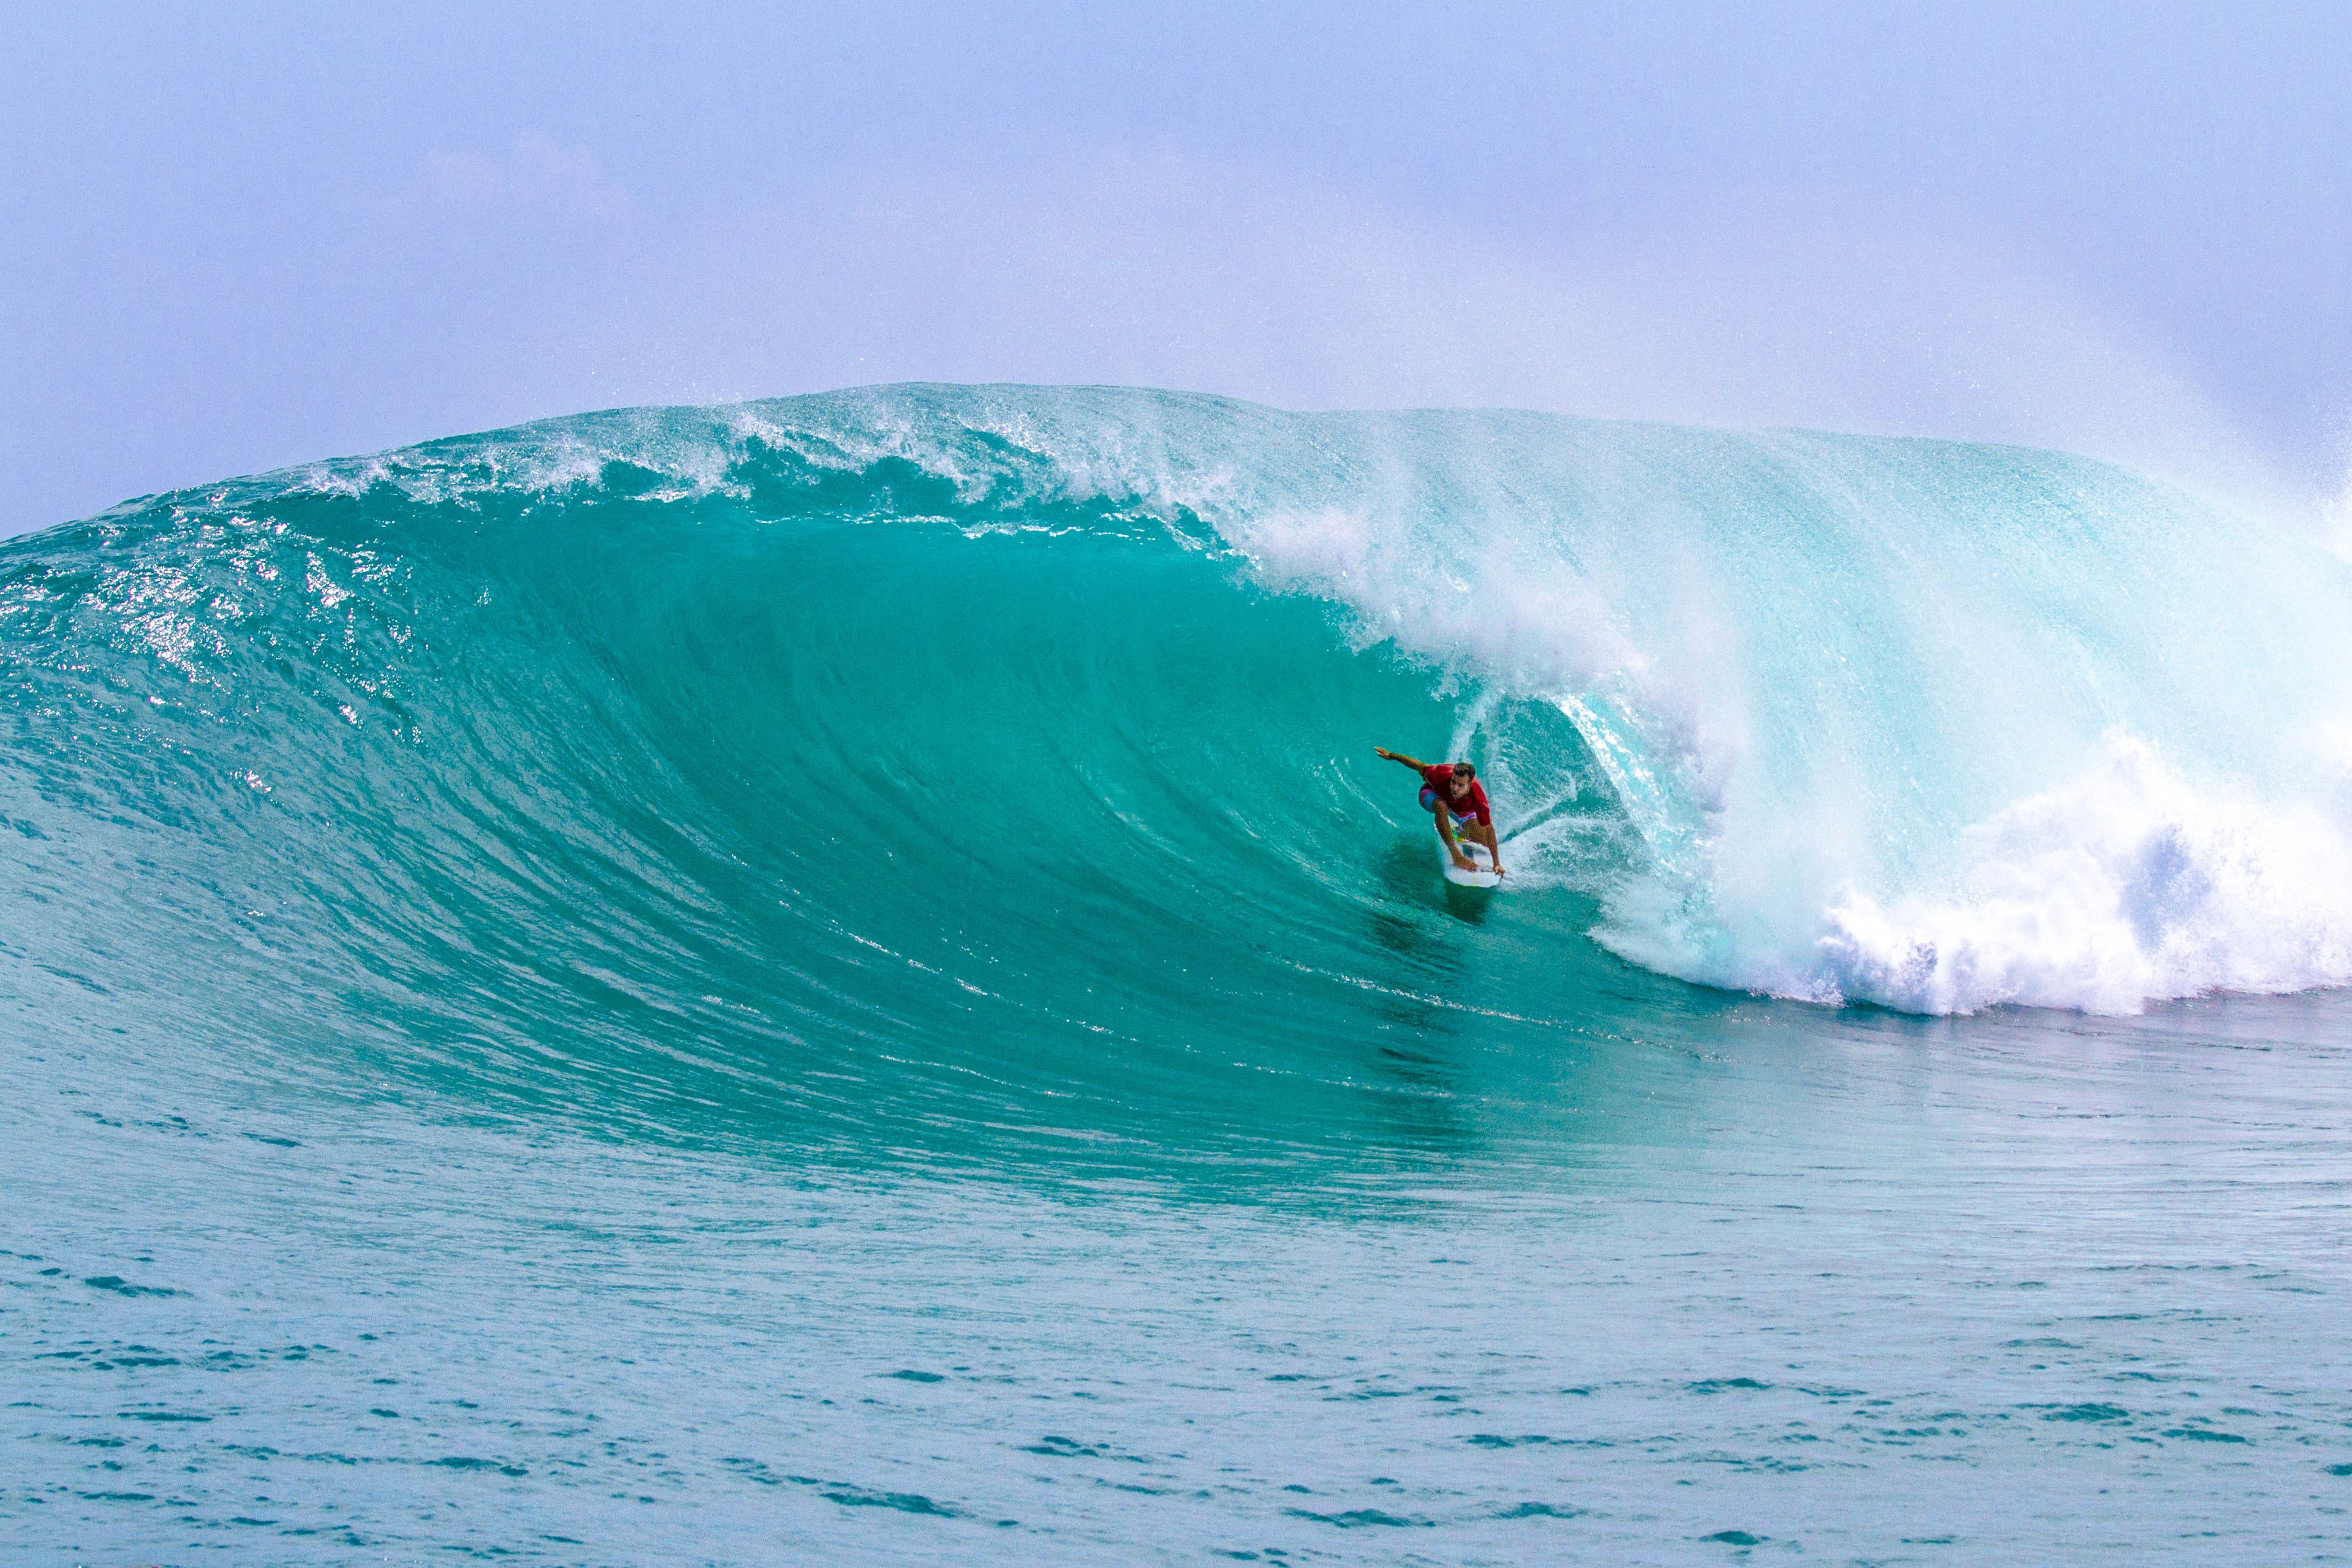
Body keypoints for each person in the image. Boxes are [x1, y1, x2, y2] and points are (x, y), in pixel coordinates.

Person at [1373, 746, 1504, 877]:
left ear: (1469, 785)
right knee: (1441, 805)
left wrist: (1496, 863)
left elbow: (1489, 829)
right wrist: (1392, 755)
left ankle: (1458, 832)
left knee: (1484, 841)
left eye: (1461, 785)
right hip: (1431, 796)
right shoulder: (1439, 773)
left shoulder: (1478, 797)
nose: (1455, 788)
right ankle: (1456, 855)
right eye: (1454, 782)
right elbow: (1418, 765)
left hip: (1461, 809)